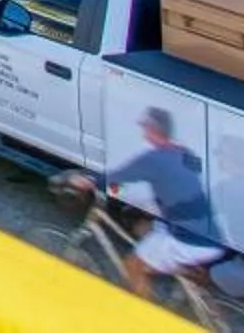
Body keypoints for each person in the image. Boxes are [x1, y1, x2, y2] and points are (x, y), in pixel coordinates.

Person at [77, 106, 223, 296]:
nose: (143, 132)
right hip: (209, 234)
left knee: (132, 266)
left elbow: (120, 175)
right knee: (141, 227)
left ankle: (144, 314)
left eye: (145, 127)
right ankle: (186, 274)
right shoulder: (181, 151)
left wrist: (88, 181)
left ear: (153, 130)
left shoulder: (155, 159)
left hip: (190, 240)